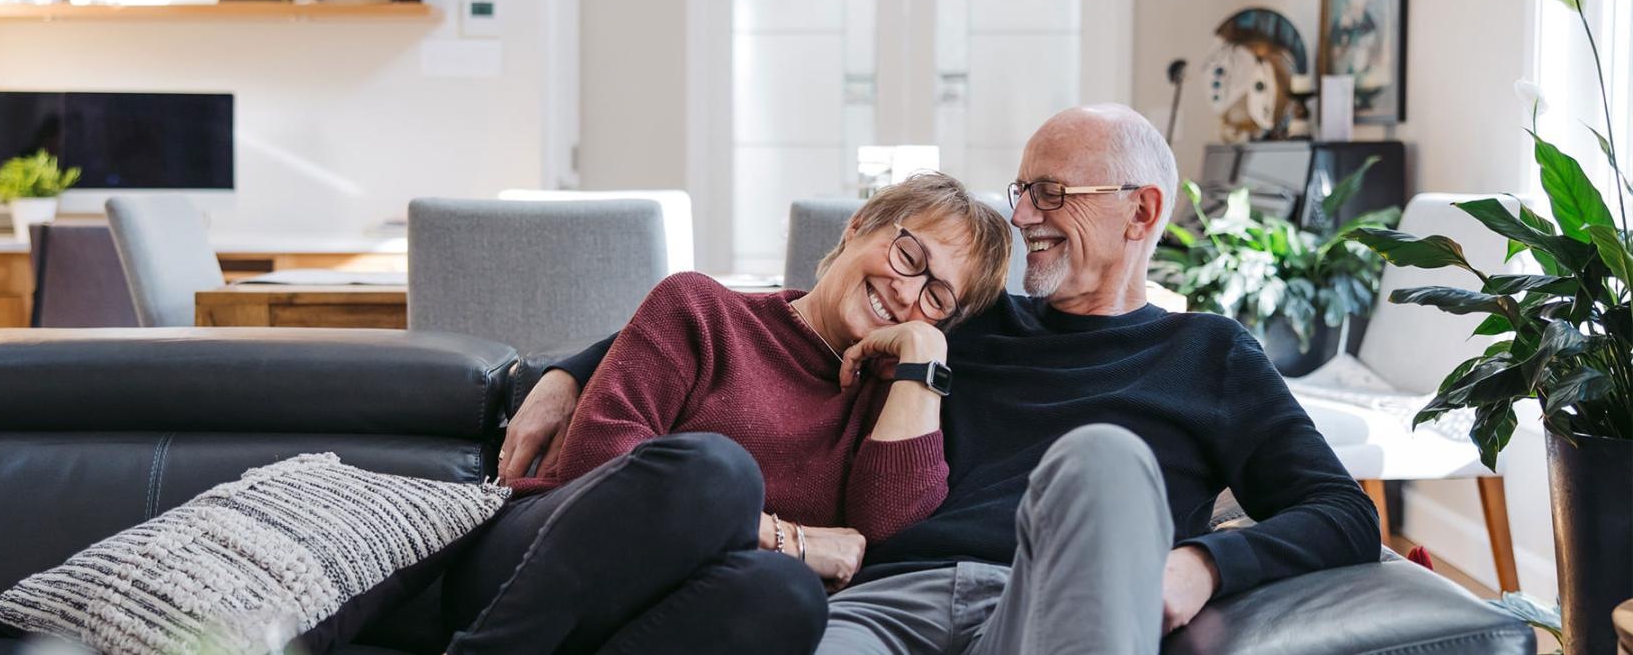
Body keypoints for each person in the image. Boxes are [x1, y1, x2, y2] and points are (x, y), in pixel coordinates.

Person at [502, 104, 1381, 654]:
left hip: (1044, 610)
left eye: (1050, 193)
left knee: (1104, 458)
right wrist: (566, 370)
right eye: (1021, 189)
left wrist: (1201, 565)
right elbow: (776, 319)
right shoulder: (965, 315)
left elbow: (1342, 513)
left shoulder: (1213, 356)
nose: (1024, 214)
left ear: (1140, 210)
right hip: (880, 602)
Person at [441, 173, 1015, 654]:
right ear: (859, 225)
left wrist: (923, 357)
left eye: (938, 298)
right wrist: (788, 538)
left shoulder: (892, 406)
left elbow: (885, 542)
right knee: (714, 469)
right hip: (541, 560)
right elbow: (598, 465)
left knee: (785, 595)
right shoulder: (700, 308)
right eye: (908, 255)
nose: (907, 291)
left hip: (672, 611)